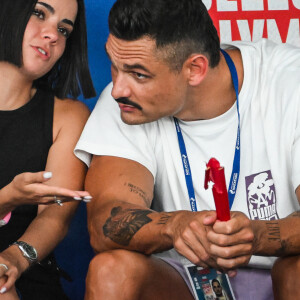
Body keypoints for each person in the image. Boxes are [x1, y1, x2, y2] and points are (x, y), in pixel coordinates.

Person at [74, 0, 300, 299]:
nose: (118, 89)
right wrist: (175, 226)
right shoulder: (125, 103)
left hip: (281, 272)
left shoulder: (289, 80)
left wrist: (257, 236)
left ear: (195, 68)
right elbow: (105, 221)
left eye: (139, 74)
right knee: (111, 269)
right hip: (187, 282)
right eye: (115, 67)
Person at [0, 0, 95, 299]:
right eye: (39, 13)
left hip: (24, 273)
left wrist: (14, 259)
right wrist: (7, 198)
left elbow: (54, 217)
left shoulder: (69, 116)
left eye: (64, 30)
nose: (53, 35)